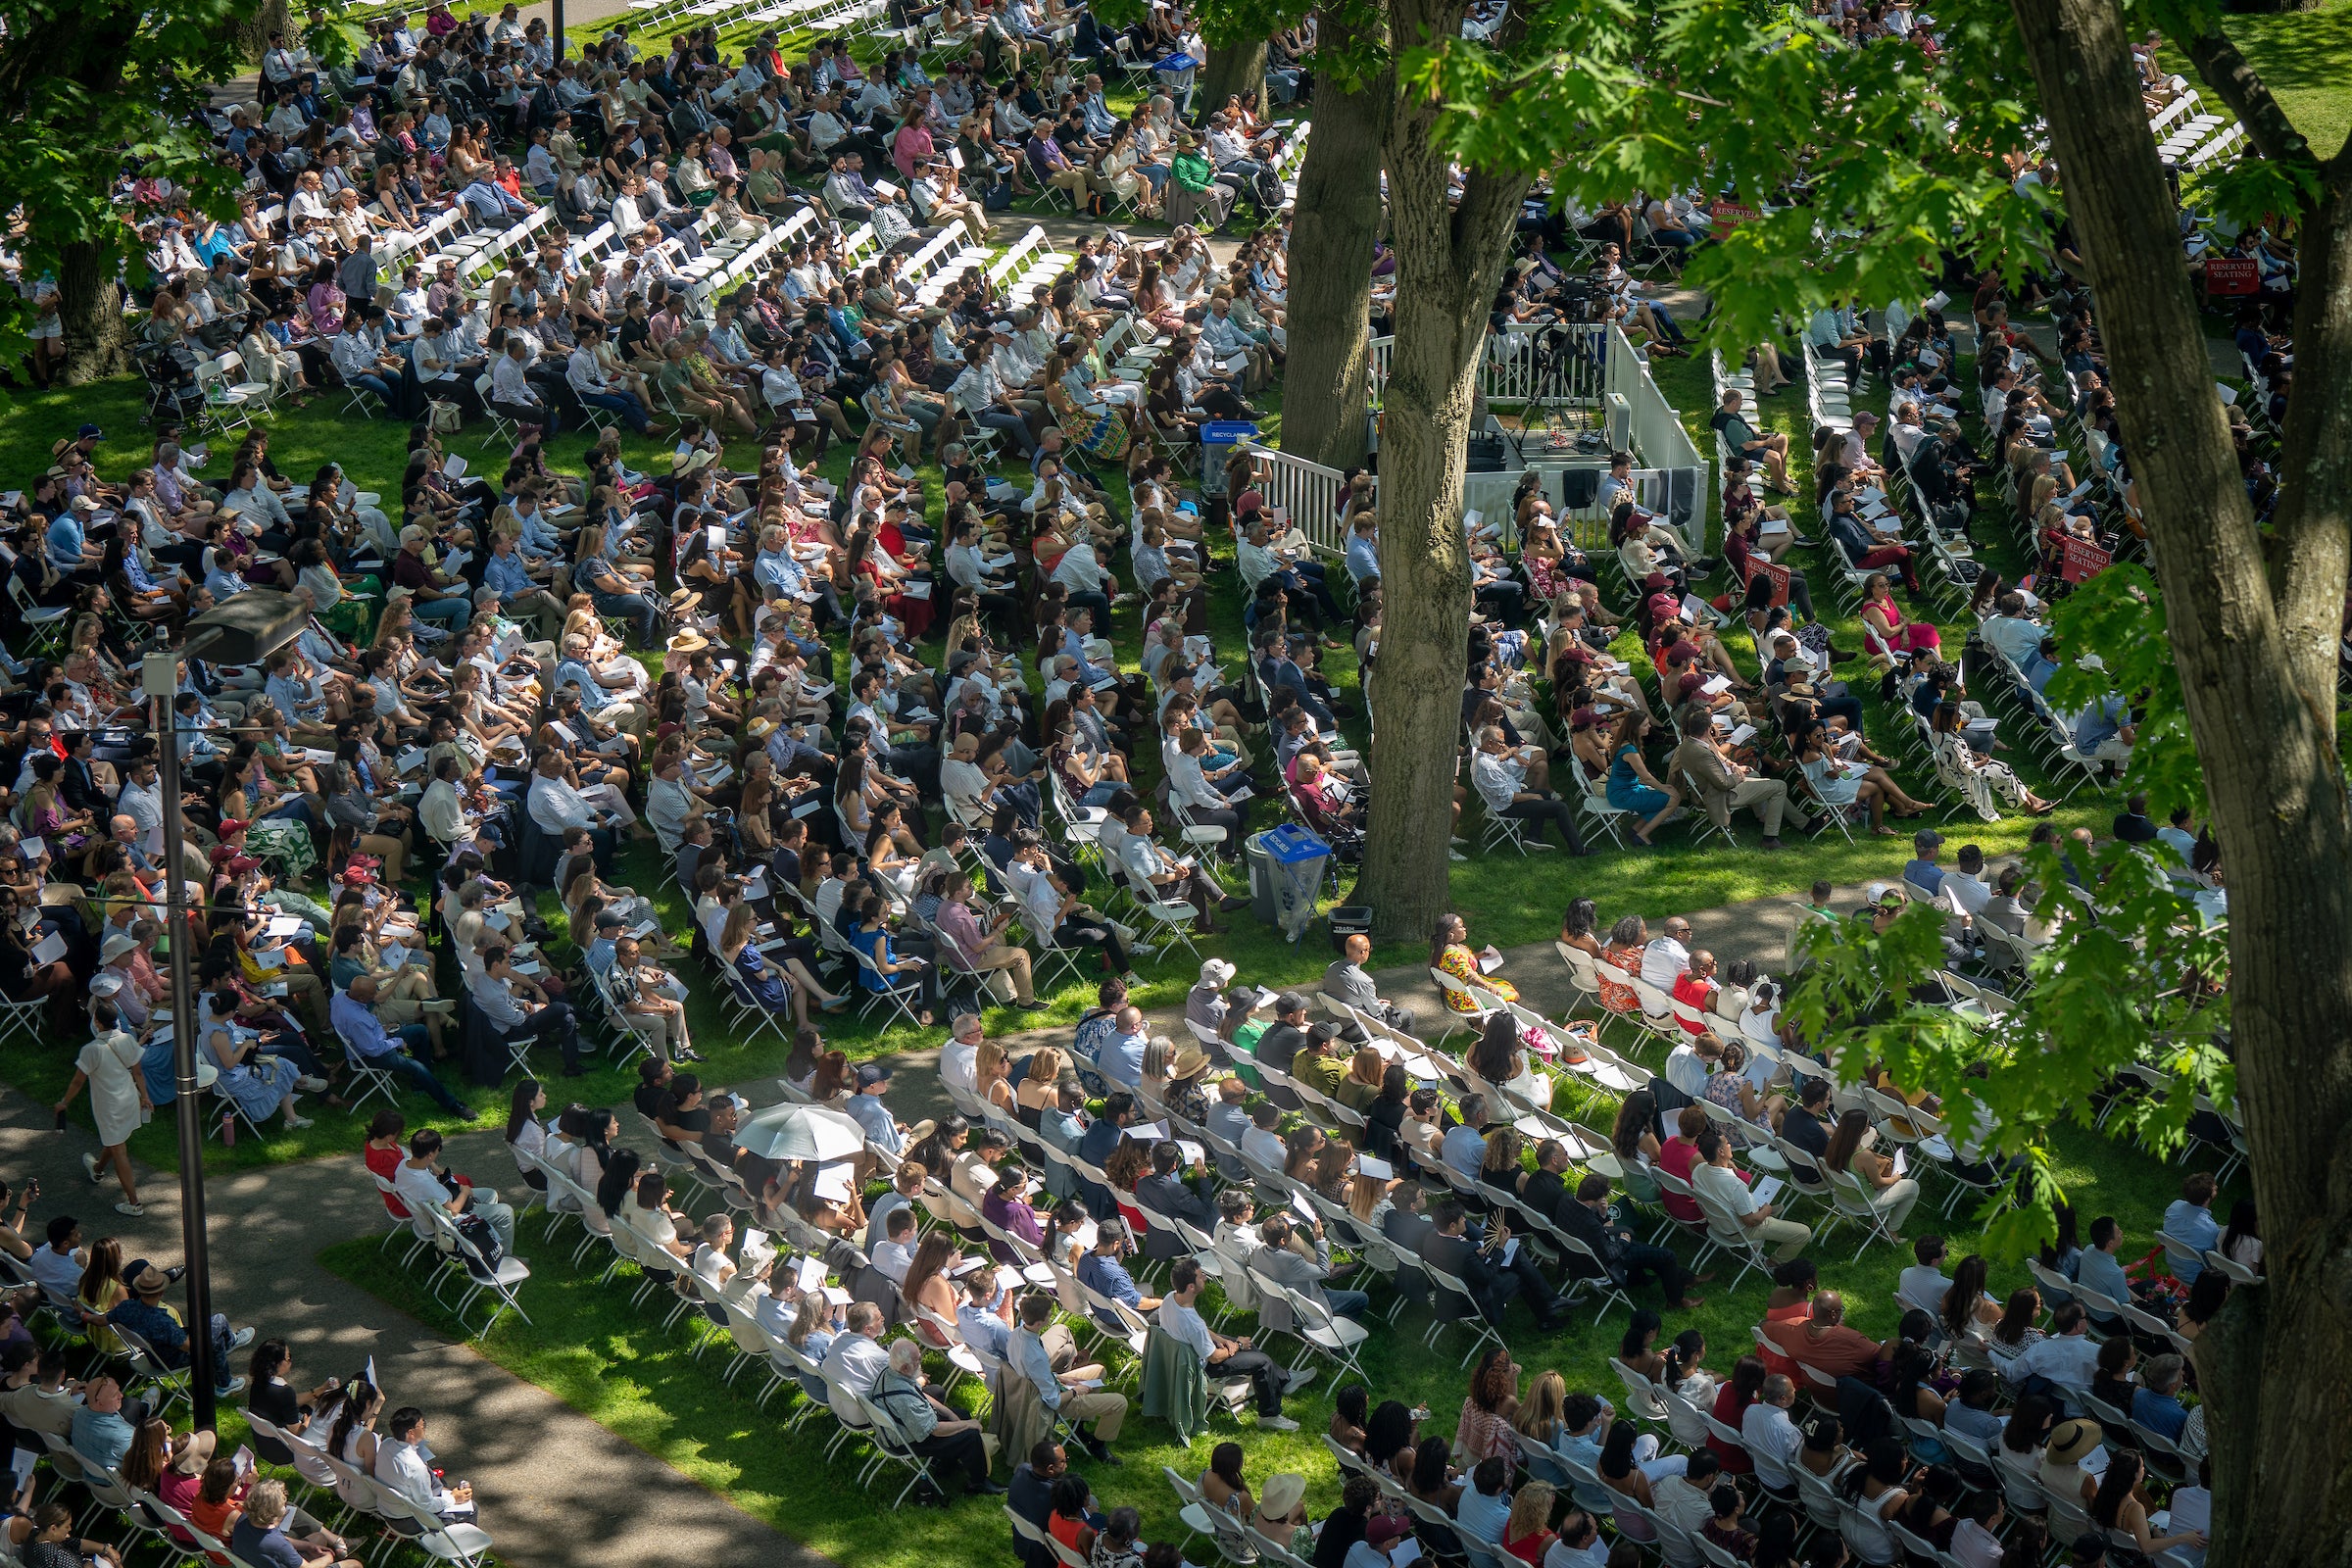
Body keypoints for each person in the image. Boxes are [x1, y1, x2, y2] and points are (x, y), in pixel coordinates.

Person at [1159, 1257, 1313, 1431]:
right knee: (1263, 1363)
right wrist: (1236, 1346)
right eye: (1201, 1276)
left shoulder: (1171, 1299)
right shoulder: (1191, 1323)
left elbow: (1200, 1329)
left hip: (1185, 1353)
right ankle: (1270, 1416)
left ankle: (1284, 1381)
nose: (1205, 1278)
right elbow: (1215, 1358)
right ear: (1191, 1287)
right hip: (1200, 1366)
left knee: (1251, 1347)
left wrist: (1225, 1341)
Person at [869, 1337, 1004, 1500]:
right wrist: (968, 1425)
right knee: (970, 1435)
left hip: (900, 1428)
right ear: (905, 1367)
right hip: (907, 1441)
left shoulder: (890, 1372)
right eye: (917, 1361)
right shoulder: (905, 1400)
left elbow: (919, 1393)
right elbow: (935, 1430)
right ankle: (978, 1482)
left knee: (961, 1414)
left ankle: (946, 1464)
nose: (921, 1362)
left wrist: (951, 1415)